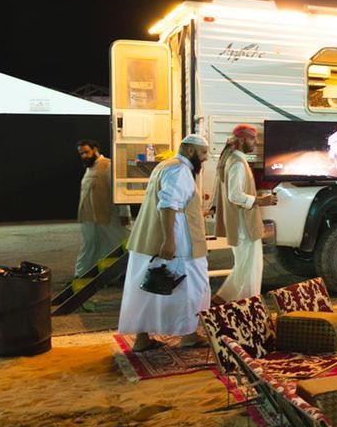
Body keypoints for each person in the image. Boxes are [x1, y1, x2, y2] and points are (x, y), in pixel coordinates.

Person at [118, 135, 212, 352]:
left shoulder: (165, 165)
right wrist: (169, 241)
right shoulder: (180, 169)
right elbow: (168, 205)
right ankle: (189, 336)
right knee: (192, 287)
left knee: (147, 290)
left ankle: (142, 339)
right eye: (203, 152)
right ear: (190, 150)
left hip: (148, 239)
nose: (206, 157)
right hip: (179, 243)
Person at [214, 124, 277, 303]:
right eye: (252, 138)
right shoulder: (237, 163)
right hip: (244, 225)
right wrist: (260, 200)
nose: (256, 142)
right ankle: (249, 306)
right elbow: (234, 195)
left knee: (244, 268)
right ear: (242, 140)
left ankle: (222, 299)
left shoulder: (234, 159)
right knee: (251, 270)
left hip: (242, 224)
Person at [75, 140, 126, 278]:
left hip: (108, 217)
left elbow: (119, 191)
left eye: (86, 152)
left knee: (117, 246)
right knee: (89, 246)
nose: (84, 156)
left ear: (95, 149)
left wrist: (124, 213)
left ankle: (120, 275)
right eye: (81, 153)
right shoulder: (90, 168)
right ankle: (81, 275)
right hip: (89, 218)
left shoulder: (108, 165)